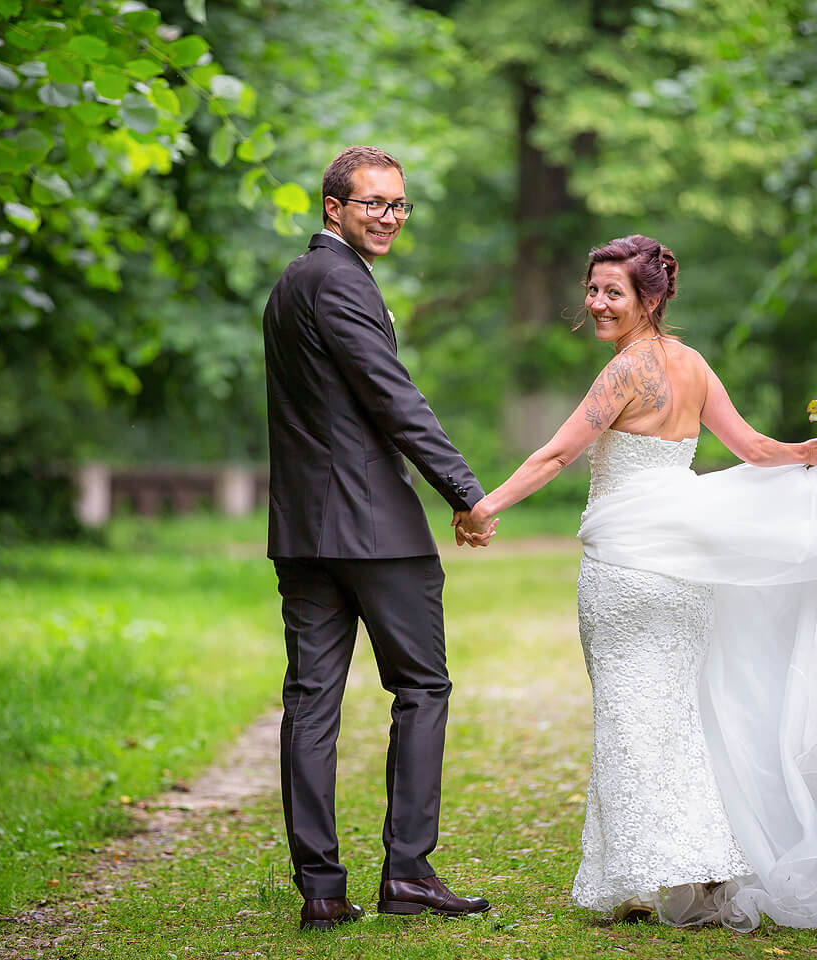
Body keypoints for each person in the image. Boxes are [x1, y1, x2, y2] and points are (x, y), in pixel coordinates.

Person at [457, 235, 817, 930]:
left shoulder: (625, 373)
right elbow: (755, 450)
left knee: (630, 717)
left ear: (650, 300)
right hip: (685, 570)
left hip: (626, 570)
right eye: (593, 289)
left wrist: (486, 505)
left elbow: (559, 452)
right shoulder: (691, 365)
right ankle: (704, 865)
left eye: (613, 292)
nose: (596, 303)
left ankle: (639, 875)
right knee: (681, 718)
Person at [263, 145, 494, 932]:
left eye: (398, 205)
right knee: (422, 689)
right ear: (334, 208)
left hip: (301, 530)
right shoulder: (340, 283)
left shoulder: (290, 284)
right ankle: (407, 871)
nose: (389, 218)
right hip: (373, 529)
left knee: (310, 703)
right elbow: (393, 400)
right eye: (373, 204)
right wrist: (464, 491)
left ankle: (322, 889)